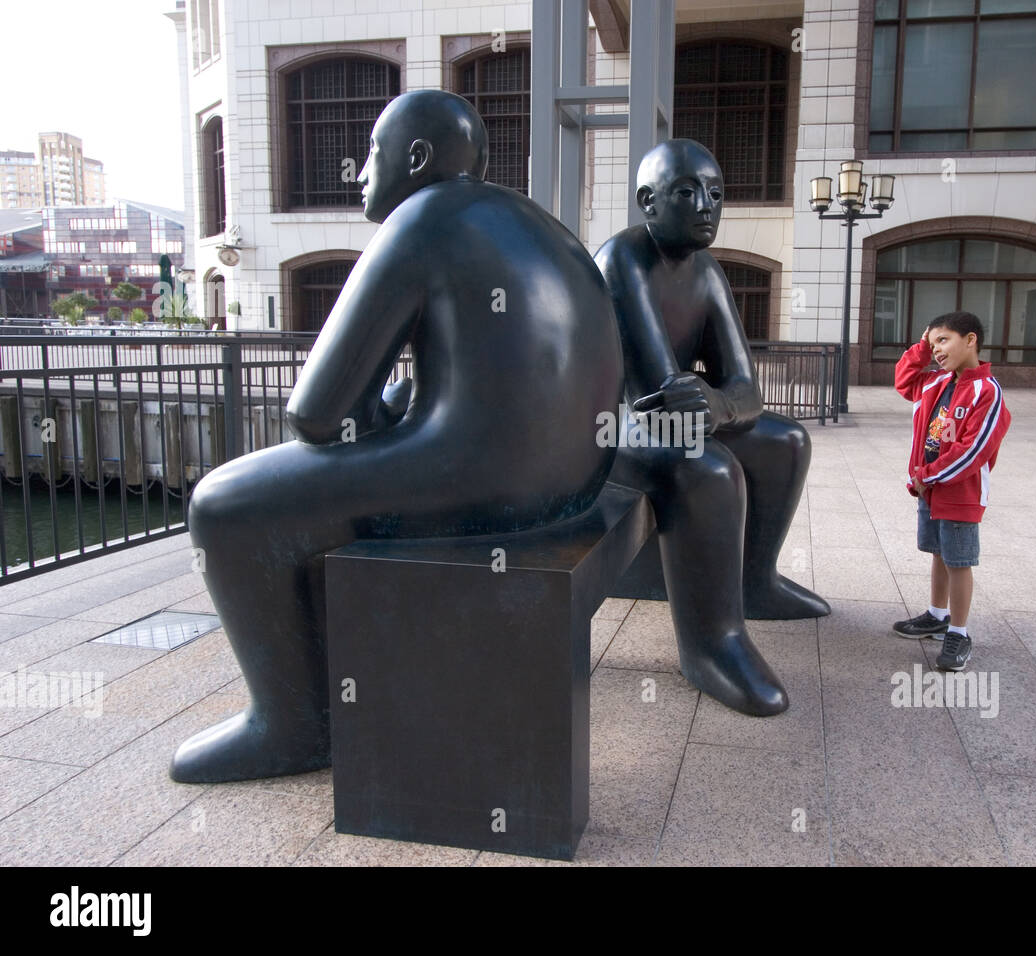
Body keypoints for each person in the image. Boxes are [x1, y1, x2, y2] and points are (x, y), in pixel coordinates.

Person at [170, 90, 623, 783]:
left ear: (416, 158)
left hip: (485, 478)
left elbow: (317, 414)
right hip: (574, 479)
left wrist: (379, 412)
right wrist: (403, 402)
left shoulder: (420, 220)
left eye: (372, 154)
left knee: (224, 505)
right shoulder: (535, 220)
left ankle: (291, 727)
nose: (358, 173)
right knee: (323, 480)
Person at [594, 139, 829, 717]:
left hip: (661, 419)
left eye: (716, 193)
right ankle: (710, 644)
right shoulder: (623, 260)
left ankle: (753, 582)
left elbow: (746, 389)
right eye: (686, 192)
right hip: (604, 426)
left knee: (784, 440)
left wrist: (719, 405)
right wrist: (714, 402)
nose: (706, 205)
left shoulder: (707, 272)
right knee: (707, 467)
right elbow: (657, 399)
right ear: (647, 201)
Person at [892, 311, 1011, 671]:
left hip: (958, 493)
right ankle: (936, 614)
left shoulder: (987, 392)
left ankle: (958, 632)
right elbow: (904, 379)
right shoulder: (935, 383)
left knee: (959, 562)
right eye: (933, 344)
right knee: (939, 554)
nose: (937, 350)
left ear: (970, 339)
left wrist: (925, 475)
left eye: (943, 341)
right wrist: (921, 346)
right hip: (930, 489)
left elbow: (973, 451)